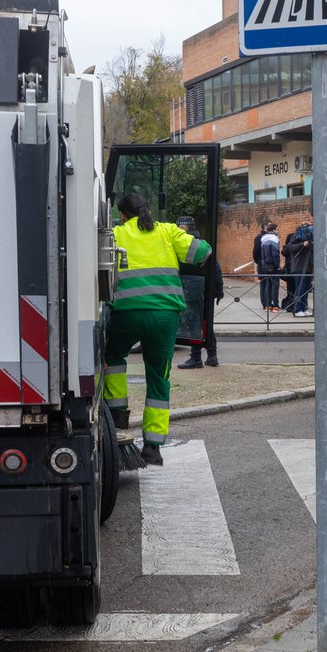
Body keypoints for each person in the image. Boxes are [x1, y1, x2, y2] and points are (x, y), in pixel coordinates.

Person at [104, 194, 211, 466]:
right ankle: (152, 447)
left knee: (113, 358)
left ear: (123, 215)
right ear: (147, 209)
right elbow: (203, 252)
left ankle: (118, 415)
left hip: (126, 313)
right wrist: (185, 234)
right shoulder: (167, 231)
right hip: (164, 316)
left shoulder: (116, 234)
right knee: (158, 377)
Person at [176, 216, 224, 369]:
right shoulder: (203, 243)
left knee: (194, 324)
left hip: (192, 289)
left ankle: (196, 358)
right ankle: (212, 355)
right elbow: (215, 268)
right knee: (206, 323)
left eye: (178, 226)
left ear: (184, 227)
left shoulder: (186, 243)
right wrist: (219, 289)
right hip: (206, 289)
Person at [286, 220, 315, 317]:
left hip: (308, 267)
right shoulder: (296, 236)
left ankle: (304, 307)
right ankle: (297, 309)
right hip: (299, 266)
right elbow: (290, 248)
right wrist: (302, 244)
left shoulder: (310, 238)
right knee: (300, 288)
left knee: (306, 288)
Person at [258, 223, 282, 312]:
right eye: (277, 229)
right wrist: (278, 266)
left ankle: (267, 306)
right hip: (273, 266)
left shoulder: (263, 238)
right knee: (275, 286)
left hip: (265, 266)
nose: (278, 231)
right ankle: (275, 306)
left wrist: (264, 264)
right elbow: (275, 254)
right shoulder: (274, 239)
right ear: (273, 230)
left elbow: (262, 254)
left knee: (268, 286)